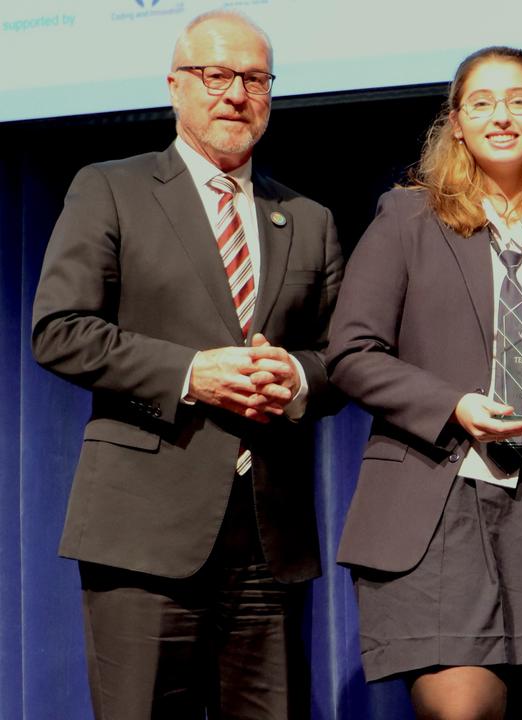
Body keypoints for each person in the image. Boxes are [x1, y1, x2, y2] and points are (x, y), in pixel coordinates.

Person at [30, 10, 344, 718]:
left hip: (269, 538)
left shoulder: (310, 217)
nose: (235, 93)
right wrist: (190, 372)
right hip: (144, 533)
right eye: (216, 75)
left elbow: (342, 358)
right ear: (175, 86)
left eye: (255, 78)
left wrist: (296, 376)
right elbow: (58, 329)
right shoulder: (111, 187)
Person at [325, 46, 522, 720]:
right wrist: (452, 405)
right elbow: (350, 352)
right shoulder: (408, 220)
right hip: (440, 506)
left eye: (520, 101)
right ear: (457, 123)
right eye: (482, 102)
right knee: (464, 710)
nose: (502, 116)